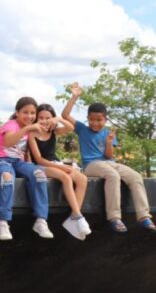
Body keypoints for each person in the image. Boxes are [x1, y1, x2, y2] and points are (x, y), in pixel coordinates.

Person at [62, 83, 155, 233]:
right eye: (92, 119)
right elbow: (65, 115)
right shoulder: (82, 129)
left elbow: (109, 156)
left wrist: (109, 143)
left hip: (109, 162)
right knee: (113, 176)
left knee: (135, 176)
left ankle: (144, 215)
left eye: (99, 120)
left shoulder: (107, 133)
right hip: (92, 165)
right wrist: (74, 97)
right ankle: (114, 217)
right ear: (87, 118)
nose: (95, 123)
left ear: (105, 120)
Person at [0, 97, 53, 241]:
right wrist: (28, 128)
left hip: (18, 162)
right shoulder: (11, 125)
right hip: (0, 161)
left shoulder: (29, 129)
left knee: (39, 174)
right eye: (25, 112)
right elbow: (8, 142)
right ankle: (3, 221)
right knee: (7, 177)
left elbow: (57, 130)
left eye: (32, 113)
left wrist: (54, 120)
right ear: (17, 112)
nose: (29, 116)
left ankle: (41, 220)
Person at [27, 103, 91, 239]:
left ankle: (74, 217)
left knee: (82, 179)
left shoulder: (53, 131)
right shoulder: (32, 133)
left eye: (48, 118)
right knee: (66, 178)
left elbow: (71, 127)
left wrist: (59, 120)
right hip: (42, 166)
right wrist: (61, 167)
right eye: (41, 117)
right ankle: (79, 217)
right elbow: (38, 159)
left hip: (56, 163)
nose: (44, 121)